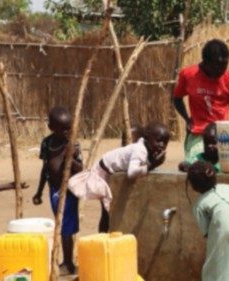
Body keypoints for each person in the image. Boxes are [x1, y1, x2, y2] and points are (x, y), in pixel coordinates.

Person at [68, 122, 170, 233]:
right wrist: (152, 165)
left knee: (112, 210)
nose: (162, 145)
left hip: (109, 170)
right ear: (146, 138)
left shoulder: (146, 148)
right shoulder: (140, 150)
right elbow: (131, 173)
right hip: (103, 173)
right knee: (107, 212)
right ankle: (103, 237)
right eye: (159, 140)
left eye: (165, 142)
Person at [173, 39, 229, 164]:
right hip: (198, 134)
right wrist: (187, 119)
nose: (223, 69)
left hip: (222, 135)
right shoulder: (188, 75)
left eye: (225, 64)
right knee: (197, 169)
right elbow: (176, 98)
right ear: (206, 62)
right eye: (218, 66)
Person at [32, 106, 83, 275]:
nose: (68, 132)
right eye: (63, 129)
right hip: (53, 189)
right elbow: (45, 168)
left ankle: (68, 263)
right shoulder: (47, 143)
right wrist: (39, 191)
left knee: (66, 227)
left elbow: (80, 169)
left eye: (70, 128)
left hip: (68, 190)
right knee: (61, 227)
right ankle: (66, 261)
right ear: (52, 128)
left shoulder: (73, 144)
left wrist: (70, 156)